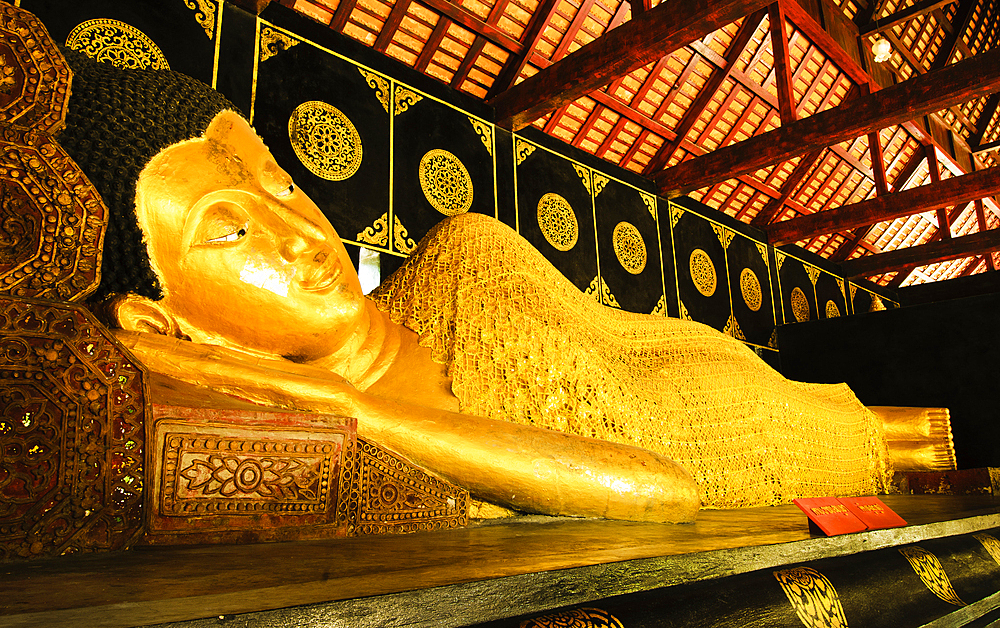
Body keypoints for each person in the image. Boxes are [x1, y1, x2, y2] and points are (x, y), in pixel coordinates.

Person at [56, 49, 891, 524]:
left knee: (854, 416)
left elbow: (629, 337)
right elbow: (660, 488)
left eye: (284, 187)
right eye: (231, 229)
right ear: (160, 322)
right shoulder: (323, 460)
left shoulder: (458, 256)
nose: (303, 235)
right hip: (744, 464)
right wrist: (330, 405)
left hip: (726, 380)